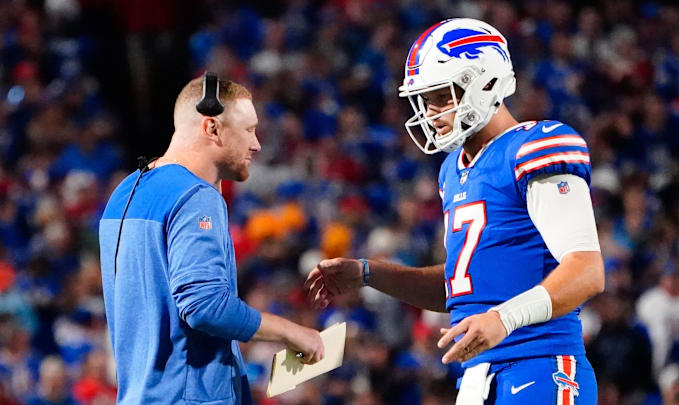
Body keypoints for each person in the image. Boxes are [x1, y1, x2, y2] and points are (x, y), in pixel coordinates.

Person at [306, 18, 604, 405]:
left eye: (441, 96)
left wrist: (502, 318)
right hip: (478, 377)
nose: (431, 113)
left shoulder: (535, 147)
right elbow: (462, 287)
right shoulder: (454, 169)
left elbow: (587, 270)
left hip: (540, 364)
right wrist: (368, 273)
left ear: (484, 82)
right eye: (425, 101)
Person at [99, 75, 324, 404]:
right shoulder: (195, 196)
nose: (257, 144)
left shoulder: (125, 191)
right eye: (248, 130)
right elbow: (204, 306)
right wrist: (292, 332)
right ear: (212, 128)